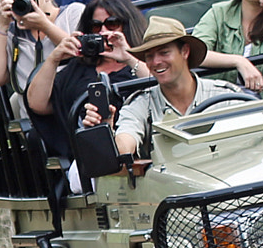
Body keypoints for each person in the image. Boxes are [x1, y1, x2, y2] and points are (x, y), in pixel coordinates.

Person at [26, 0, 150, 183]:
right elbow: (37, 104)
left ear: (127, 25)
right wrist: (54, 58)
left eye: (112, 23)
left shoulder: (145, 61)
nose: (103, 32)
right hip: (92, 156)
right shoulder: (80, 68)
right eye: (96, 26)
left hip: (143, 148)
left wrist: (128, 57)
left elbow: (160, 84)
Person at [77, 17, 231, 169]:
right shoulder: (141, 104)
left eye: (164, 53)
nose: (156, 62)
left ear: (185, 52)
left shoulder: (223, 96)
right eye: (149, 56)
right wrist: (105, 130)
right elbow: (124, 148)